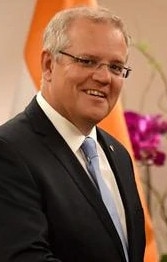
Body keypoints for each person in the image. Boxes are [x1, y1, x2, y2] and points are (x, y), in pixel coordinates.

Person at [0, 6, 145, 262]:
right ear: (48, 64)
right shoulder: (9, 150)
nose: (104, 78)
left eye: (115, 67)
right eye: (87, 61)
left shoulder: (117, 154)